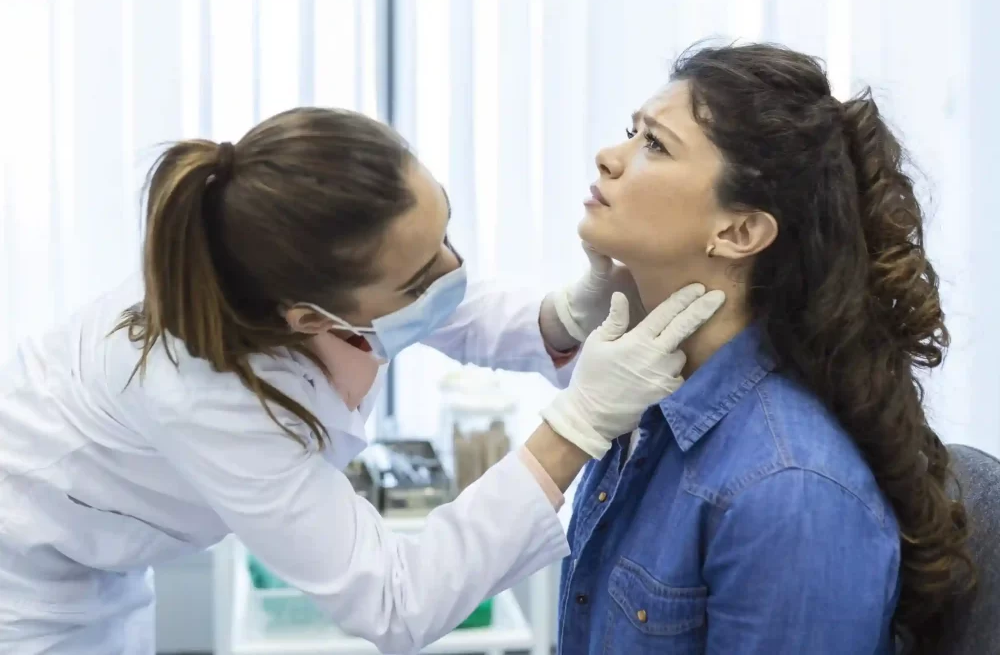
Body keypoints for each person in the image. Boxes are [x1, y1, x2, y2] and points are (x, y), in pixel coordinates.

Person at [0, 106, 725, 654]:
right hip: (31, 576)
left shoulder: (314, 249)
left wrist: (561, 319)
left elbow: (437, 300)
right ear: (308, 316)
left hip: (108, 553)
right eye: (420, 277)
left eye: (445, 229)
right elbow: (394, 601)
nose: (453, 271)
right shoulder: (197, 391)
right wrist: (577, 427)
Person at [558, 43, 975, 654]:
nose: (608, 157)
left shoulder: (789, 489)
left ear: (739, 231)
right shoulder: (643, 403)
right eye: (631, 132)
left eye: (654, 144)